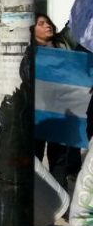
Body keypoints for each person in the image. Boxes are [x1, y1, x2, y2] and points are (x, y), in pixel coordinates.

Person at [33, 12, 82, 190]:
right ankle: (38, 202)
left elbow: (76, 26)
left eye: (48, 22)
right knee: (35, 159)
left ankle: (59, 199)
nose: (48, 26)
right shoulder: (28, 52)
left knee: (59, 159)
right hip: (37, 115)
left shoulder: (63, 45)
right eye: (41, 23)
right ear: (31, 30)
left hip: (61, 113)